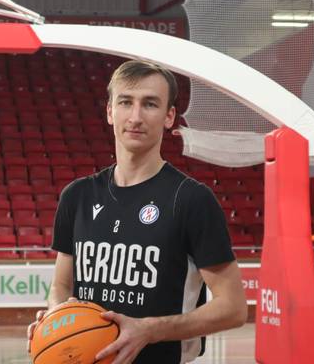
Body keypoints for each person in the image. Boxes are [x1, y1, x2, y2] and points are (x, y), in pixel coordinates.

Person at [28, 60, 248, 363]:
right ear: (109, 111)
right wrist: (57, 317)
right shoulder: (77, 196)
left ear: (169, 116)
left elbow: (233, 308)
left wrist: (149, 330)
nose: (135, 116)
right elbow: (62, 284)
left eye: (150, 104)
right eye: (125, 102)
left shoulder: (191, 200)